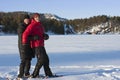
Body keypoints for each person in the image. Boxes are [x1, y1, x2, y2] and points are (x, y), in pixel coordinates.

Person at [22, 13, 54, 78]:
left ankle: (48, 74)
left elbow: (41, 34)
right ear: (33, 18)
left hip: (41, 45)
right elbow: (25, 34)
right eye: (36, 17)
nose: (38, 18)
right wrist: (25, 44)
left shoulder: (40, 25)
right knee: (41, 59)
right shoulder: (32, 25)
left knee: (46, 59)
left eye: (38, 17)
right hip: (36, 46)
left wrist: (45, 36)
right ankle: (35, 74)